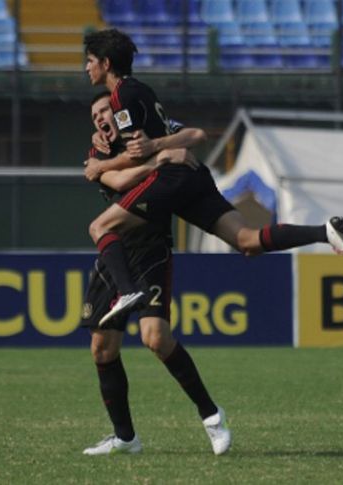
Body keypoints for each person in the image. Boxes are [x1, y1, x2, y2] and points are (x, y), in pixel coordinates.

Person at [82, 28, 343, 326]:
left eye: (90, 60)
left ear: (106, 63)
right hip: (193, 175)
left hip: (170, 179)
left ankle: (127, 292)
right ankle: (326, 232)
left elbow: (138, 152)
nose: (87, 67)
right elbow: (175, 136)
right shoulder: (142, 92)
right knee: (247, 240)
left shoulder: (120, 95)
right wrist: (151, 146)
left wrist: (102, 166)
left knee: (100, 226)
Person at [81, 91, 232, 456]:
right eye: (95, 115)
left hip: (150, 247)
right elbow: (117, 183)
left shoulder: (145, 133)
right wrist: (160, 161)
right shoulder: (98, 155)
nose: (101, 118)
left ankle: (212, 416)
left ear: (119, 113)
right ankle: (125, 438)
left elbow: (193, 137)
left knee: (156, 338)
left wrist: (167, 148)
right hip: (115, 250)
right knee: (102, 349)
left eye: (106, 110)